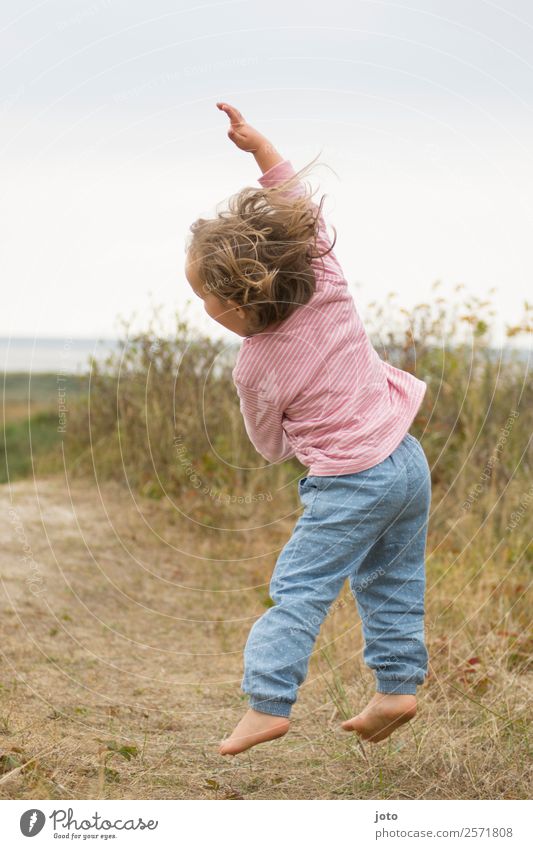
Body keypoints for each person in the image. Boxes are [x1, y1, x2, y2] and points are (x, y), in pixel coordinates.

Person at [185, 103, 431, 756]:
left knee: (299, 590)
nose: (204, 309)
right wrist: (263, 149)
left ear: (236, 304)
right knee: (392, 577)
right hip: (406, 462)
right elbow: (301, 210)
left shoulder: (254, 364)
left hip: (349, 481)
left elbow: (268, 443)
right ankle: (397, 685)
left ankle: (266, 701)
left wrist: (292, 438)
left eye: (203, 298)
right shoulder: (324, 280)